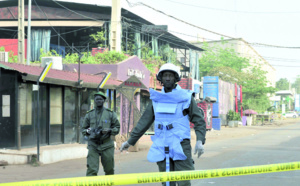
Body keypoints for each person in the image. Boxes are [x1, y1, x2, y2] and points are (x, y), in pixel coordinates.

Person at [120, 63, 206, 186]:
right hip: (162, 143)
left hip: (181, 144)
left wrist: (199, 141)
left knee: (184, 181)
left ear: (176, 78)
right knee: (166, 182)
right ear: (160, 78)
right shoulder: (156, 98)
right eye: (165, 75)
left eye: (170, 75)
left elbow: (199, 120)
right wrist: (130, 141)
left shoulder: (185, 97)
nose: (167, 78)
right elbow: (144, 122)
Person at [82, 91, 120, 176]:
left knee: (109, 170)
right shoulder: (89, 114)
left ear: (104, 101)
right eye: (97, 99)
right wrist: (88, 131)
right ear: (94, 100)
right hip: (93, 144)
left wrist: (109, 130)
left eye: (100, 99)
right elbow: (83, 129)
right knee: (92, 170)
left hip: (107, 144)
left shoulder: (110, 113)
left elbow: (117, 127)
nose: (98, 101)